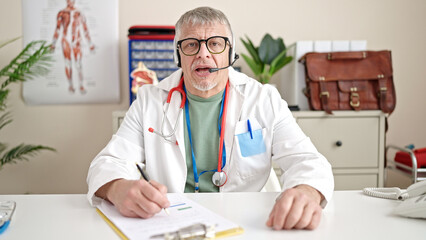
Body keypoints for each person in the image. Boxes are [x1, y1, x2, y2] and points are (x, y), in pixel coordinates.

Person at [87, 6, 334, 230]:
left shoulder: (263, 99)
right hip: (170, 222)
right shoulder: (149, 101)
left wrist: (307, 192)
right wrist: (117, 188)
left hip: (251, 222)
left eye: (215, 44)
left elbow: (308, 160)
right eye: (191, 45)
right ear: (178, 55)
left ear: (230, 53)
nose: (203, 54)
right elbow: (108, 162)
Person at [51, 0, 95, 94]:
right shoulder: (61, 13)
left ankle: (81, 85)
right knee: (68, 64)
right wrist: (53, 43)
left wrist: (90, 43)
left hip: (77, 41)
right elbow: (58, 29)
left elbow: (85, 28)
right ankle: (70, 85)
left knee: (78, 64)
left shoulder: (79, 13)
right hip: (66, 40)